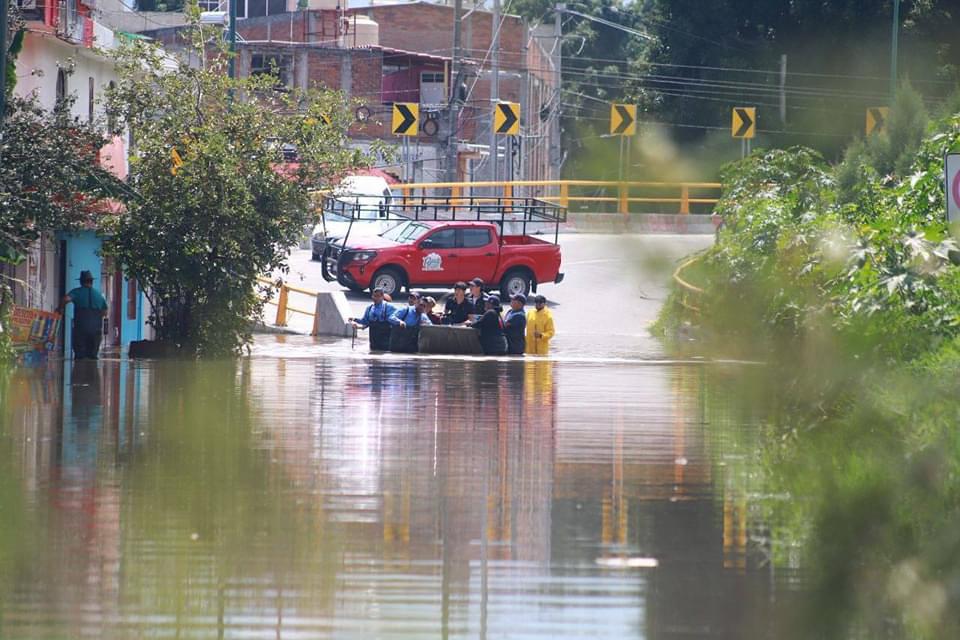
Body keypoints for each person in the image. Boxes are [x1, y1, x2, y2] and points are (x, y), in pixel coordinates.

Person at [61, 270, 107, 360]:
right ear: (92, 282)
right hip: (96, 330)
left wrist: (60, 308)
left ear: (81, 281)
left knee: (80, 357)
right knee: (93, 357)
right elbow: (105, 312)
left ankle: (79, 373)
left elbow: (66, 299)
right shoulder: (99, 295)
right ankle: (93, 372)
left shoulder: (77, 292)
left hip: (81, 329)